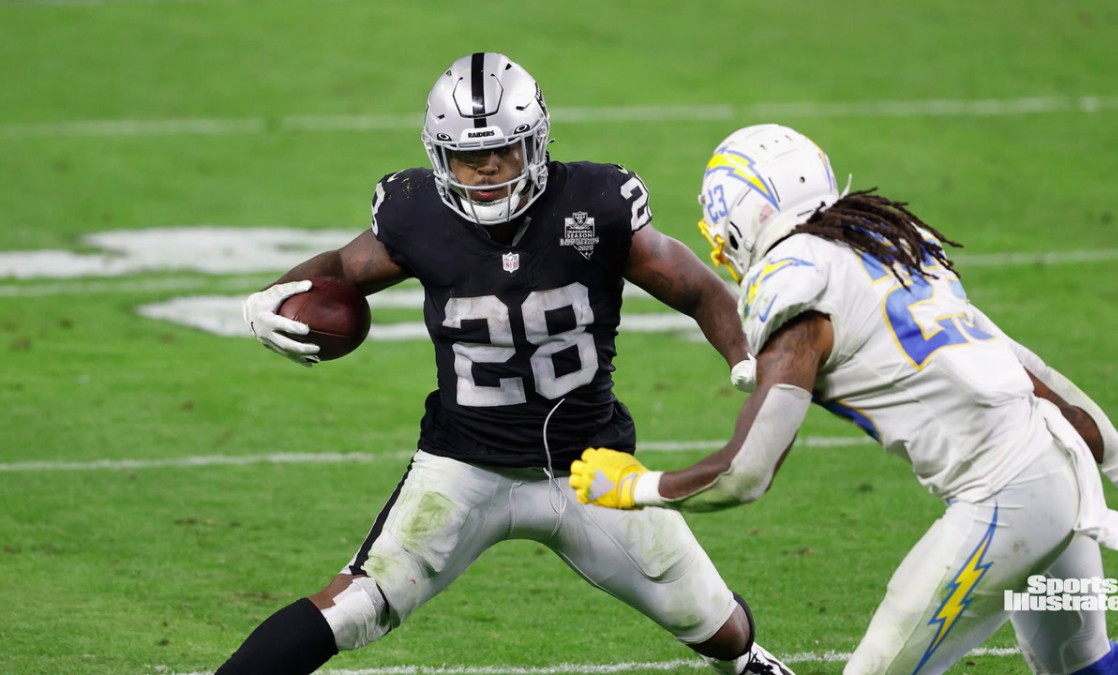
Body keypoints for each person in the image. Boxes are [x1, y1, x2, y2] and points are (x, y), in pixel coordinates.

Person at [219, 54, 789, 675]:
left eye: (502, 150)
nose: (485, 168)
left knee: (722, 630)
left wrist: (742, 354)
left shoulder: (594, 205)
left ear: (535, 144)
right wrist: (269, 298)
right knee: (355, 604)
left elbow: (698, 289)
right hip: (463, 469)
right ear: (440, 156)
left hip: (591, 469)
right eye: (467, 155)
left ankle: (746, 662)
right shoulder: (416, 213)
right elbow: (340, 269)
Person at [569, 123, 1118, 674]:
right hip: (1062, 466)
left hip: (1006, 502)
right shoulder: (887, 241)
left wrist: (636, 486)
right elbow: (1030, 371)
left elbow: (746, 474)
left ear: (739, 221)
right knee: (1090, 669)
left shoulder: (793, 284)